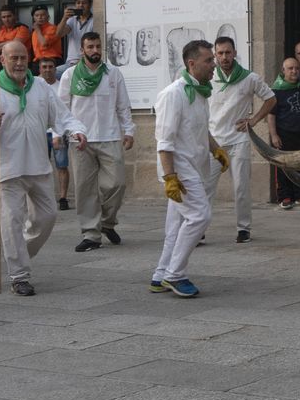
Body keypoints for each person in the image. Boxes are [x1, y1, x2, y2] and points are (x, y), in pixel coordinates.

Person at [0, 41, 86, 296]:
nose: (19, 63)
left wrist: (76, 131)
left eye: (22, 58)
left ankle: (18, 254)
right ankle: (19, 275)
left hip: (38, 165)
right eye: (13, 58)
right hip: (7, 167)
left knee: (48, 216)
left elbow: (62, 116)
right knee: (11, 222)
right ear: (3, 60)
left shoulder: (40, 86)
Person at [150, 39, 229, 298]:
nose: (214, 65)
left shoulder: (201, 91)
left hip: (194, 167)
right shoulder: (173, 95)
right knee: (200, 216)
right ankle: (176, 274)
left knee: (176, 225)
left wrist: (216, 150)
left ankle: (161, 274)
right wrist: (170, 177)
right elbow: (164, 141)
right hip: (180, 170)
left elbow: (199, 129)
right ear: (192, 64)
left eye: (213, 60)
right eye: (209, 61)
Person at [58, 32, 135, 252]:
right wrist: (65, 134)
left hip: (110, 136)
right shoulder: (70, 75)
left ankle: (106, 223)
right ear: (82, 50)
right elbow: (62, 110)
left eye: (98, 46)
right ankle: (91, 234)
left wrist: (128, 130)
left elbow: (122, 106)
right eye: (90, 46)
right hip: (81, 139)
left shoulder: (113, 73)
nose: (95, 50)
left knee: (116, 184)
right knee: (85, 189)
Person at [206, 36, 275, 243]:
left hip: (239, 140)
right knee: (205, 187)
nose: (224, 57)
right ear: (215, 56)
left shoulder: (249, 78)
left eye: (228, 52)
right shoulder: (209, 77)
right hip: (214, 141)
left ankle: (243, 228)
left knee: (241, 187)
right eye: (220, 53)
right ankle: (199, 228)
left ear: (235, 53)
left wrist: (253, 120)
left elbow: (271, 99)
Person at [268, 57, 300, 210]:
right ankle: (285, 196)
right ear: (283, 71)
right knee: (284, 166)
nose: (294, 71)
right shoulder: (276, 90)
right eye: (290, 68)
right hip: (284, 134)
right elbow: (271, 115)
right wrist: (274, 135)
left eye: (296, 68)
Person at [39, 59, 72, 210]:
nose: (47, 70)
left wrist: (57, 133)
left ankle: (63, 198)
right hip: (39, 132)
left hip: (58, 132)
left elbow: (62, 112)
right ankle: (43, 197)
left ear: (55, 69)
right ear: (40, 69)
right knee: (39, 167)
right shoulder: (34, 86)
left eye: (50, 67)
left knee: (62, 166)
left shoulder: (61, 86)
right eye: (44, 67)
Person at [55, 0, 94, 72]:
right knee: (50, 73)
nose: (81, 5)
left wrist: (82, 60)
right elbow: (59, 34)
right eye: (78, 3)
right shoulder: (72, 20)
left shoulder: (94, 21)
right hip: (70, 63)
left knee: (57, 73)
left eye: (84, 3)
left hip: (86, 62)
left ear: (90, 5)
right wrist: (64, 18)